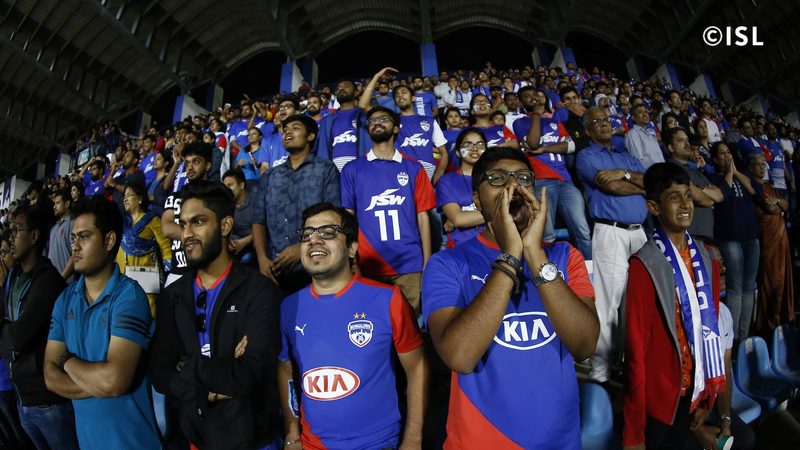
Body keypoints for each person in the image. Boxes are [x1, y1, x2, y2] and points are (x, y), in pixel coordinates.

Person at [422, 148, 598, 449]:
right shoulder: (446, 264)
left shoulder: (565, 256)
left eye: (524, 178)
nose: (513, 186)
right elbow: (460, 356)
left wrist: (534, 254)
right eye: (497, 178)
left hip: (558, 440)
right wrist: (510, 256)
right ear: (477, 200)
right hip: (480, 442)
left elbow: (584, 346)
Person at [278, 203, 428, 449]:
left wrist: (413, 439)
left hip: (378, 444)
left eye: (327, 232)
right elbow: (285, 368)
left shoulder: (387, 299)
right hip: (313, 445)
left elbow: (417, 366)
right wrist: (292, 432)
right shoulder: (289, 307)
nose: (314, 240)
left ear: (351, 248)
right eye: (306, 235)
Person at [150, 181, 283, 450]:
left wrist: (187, 366)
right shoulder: (172, 295)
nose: (187, 234)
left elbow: (251, 374)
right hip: (196, 440)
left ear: (225, 226)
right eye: (183, 224)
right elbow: (160, 373)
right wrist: (211, 389)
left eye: (198, 222)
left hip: (255, 441)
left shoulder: (260, 291)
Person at [43, 196, 160, 449]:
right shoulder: (64, 300)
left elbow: (114, 381)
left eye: (84, 237)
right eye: (73, 238)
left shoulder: (129, 296)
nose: (75, 247)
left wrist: (67, 362)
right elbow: (50, 377)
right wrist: (100, 382)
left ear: (109, 241)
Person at [623, 162, 725, 450]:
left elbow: (711, 328)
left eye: (688, 196)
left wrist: (707, 398)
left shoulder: (706, 257)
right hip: (662, 400)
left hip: (697, 390)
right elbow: (636, 348)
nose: (685, 204)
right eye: (674, 197)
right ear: (654, 207)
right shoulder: (645, 264)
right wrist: (633, 432)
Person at [340, 106, 435, 313]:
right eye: (372, 121)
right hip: (368, 262)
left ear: (396, 127)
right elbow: (348, 217)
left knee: (411, 324)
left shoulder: (414, 167)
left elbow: (423, 216)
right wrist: (350, 259)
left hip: (409, 263)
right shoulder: (352, 169)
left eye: (383, 119)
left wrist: (427, 261)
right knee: (374, 323)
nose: (377, 122)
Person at [577, 107, 648, 383]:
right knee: (608, 303)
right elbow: (610, 187)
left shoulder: (627, 157)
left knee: (639, 300)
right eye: (597, 121)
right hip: (610, 231)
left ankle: (630, 361)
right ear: (588, 130)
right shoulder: (586, 156)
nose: (604, 124)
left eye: (606, 120)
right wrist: (636, 184)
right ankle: (601, 370)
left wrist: (624, 174)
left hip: (639, 234)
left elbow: (650, 183)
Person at [0, 206, 79, 449]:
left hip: (48, 400)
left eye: (17, 230)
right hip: (23, 396)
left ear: (34, 236)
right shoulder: (14, 276)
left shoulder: (48, 281)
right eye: (10, 230)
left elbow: (18, 337)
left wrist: (9, 336)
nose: (11, 237)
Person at [252, 114, 340, 293]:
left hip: (316, 268)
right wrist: (262, 259)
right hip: (274, 272)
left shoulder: (326, 169)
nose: (288, 133)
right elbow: (258, 220)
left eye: (295, 128)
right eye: (285, 130)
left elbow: (334, 216)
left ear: (310, 136)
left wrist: (301, 248)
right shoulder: (270, 175)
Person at [514, 86, 592, 258]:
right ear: (520, 103)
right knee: (547, 235)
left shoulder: (555, 122)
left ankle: (589, 269)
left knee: (583, 232)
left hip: (566, 181)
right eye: (527, 96)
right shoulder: (520, 123)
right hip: (541, 181)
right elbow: (533, 143)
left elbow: (570, 146)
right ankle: (551, 270)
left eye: (535, 94)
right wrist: (536, 114)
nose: (533, 98)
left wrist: (544, 149)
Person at [710, 142, 760, 343]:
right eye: (722, 154)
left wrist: (736, 172)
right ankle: (732, 339)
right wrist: (729, 174)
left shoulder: (741, 175)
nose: (727, 156)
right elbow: (723, 194)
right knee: (735, 289)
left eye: (728, 152)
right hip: (730, 238)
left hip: (751, 236)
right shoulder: (715, 179)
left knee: (749, 288)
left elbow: (755, 190)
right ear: (715, 159)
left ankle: (744, 337)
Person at [748, 153, 794, 335]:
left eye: (763, 164)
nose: (762, 168)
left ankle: (782, 320)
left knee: (782, 280)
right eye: (758, 165)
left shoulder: (769, 187)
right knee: (771, 281)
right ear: (750, 168)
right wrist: (778, 204)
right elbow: (770, 208)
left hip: (781, 240)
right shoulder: (753, 187)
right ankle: (768, 325)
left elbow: (784, 205)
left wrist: (779, 201)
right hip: (767, 240)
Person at [116, 182, 172, 316]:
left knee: (148, 310)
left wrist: (169, 271)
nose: (125, 199)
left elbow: (165, 246)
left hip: (145, 275)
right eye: (124, 196)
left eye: (129, 195)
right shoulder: (123, 222)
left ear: (140, 199)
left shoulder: (152, 220)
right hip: (123, 274)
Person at [162, 141, 213, 284]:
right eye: (187, 163)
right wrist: (202, 235)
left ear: (207, 165)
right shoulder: (174, 197)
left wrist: (183, 232)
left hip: (209, 271)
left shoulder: (216, 196)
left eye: (196, 162)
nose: (190, 167)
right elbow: (167, 228)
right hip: (178, 272)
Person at [664, 127, 723, 242]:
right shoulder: (672, 169)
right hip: (691, 235)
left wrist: (700, 189)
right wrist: (705, 193)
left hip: (707, 235)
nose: (687, 144)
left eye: (687, 140)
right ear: (671, 147)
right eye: (681, 140)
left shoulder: (694, 170)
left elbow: (719, 195)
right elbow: (700, 198)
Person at [436, 128, 486, 247]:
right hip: (461, 248)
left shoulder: (496, 178)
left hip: (494, 246)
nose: (475, 148)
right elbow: (458, 219)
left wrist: (468, 215)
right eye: (468, 145)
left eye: (480, 144)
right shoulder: (446, 181)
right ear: (458, 152)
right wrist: (498, 213)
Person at [222, 168, 258, 265]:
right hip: (237, 242)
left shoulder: (256, 199)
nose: (227, 189)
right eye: (225, 186)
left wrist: (243, 242)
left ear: (241, 185)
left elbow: (264, 228)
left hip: (258, 242)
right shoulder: (226, 206)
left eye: (230, 185)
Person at [626, 103, 665, 169]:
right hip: (651, 172)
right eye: (640, 112)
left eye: (646, 112)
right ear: (634, 118)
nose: (645, 114)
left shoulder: (651, 133)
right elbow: (638, 160)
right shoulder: (633, 133)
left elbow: (660, 155)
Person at [49, 189, 75, 282]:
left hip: (65, 283)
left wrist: (61, 277)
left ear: (67, 204)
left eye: (57, 203)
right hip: (51, 281)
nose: (54, 206)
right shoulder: (53, 228)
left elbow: (75, 254)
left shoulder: (72, 225)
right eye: (54, 203)